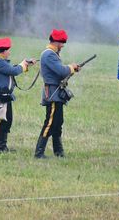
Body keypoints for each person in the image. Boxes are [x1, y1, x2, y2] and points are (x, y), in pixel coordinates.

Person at [34, 29, 80, 159]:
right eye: (62, 43)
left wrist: (72, 69)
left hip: (56, 93)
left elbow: (61, 72)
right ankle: (39, 153)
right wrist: (71, 67)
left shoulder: (52, 54)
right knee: (49, 123)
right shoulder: (49, 54)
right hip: (53, 93)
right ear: (56, 42)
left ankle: (58, 152)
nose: (63, 45)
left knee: (58, 122)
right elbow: (61, 71)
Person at [0, 37, 35, 153]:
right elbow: (14, 71)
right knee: (0, 121)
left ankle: (2, 147)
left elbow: (11, 69)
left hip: (6, 95)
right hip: (1, 95)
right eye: (8, 50)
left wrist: (26, 64)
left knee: (7, 121)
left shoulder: (0, 61)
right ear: (3, 51)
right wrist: (23, 64)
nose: (9, 52)